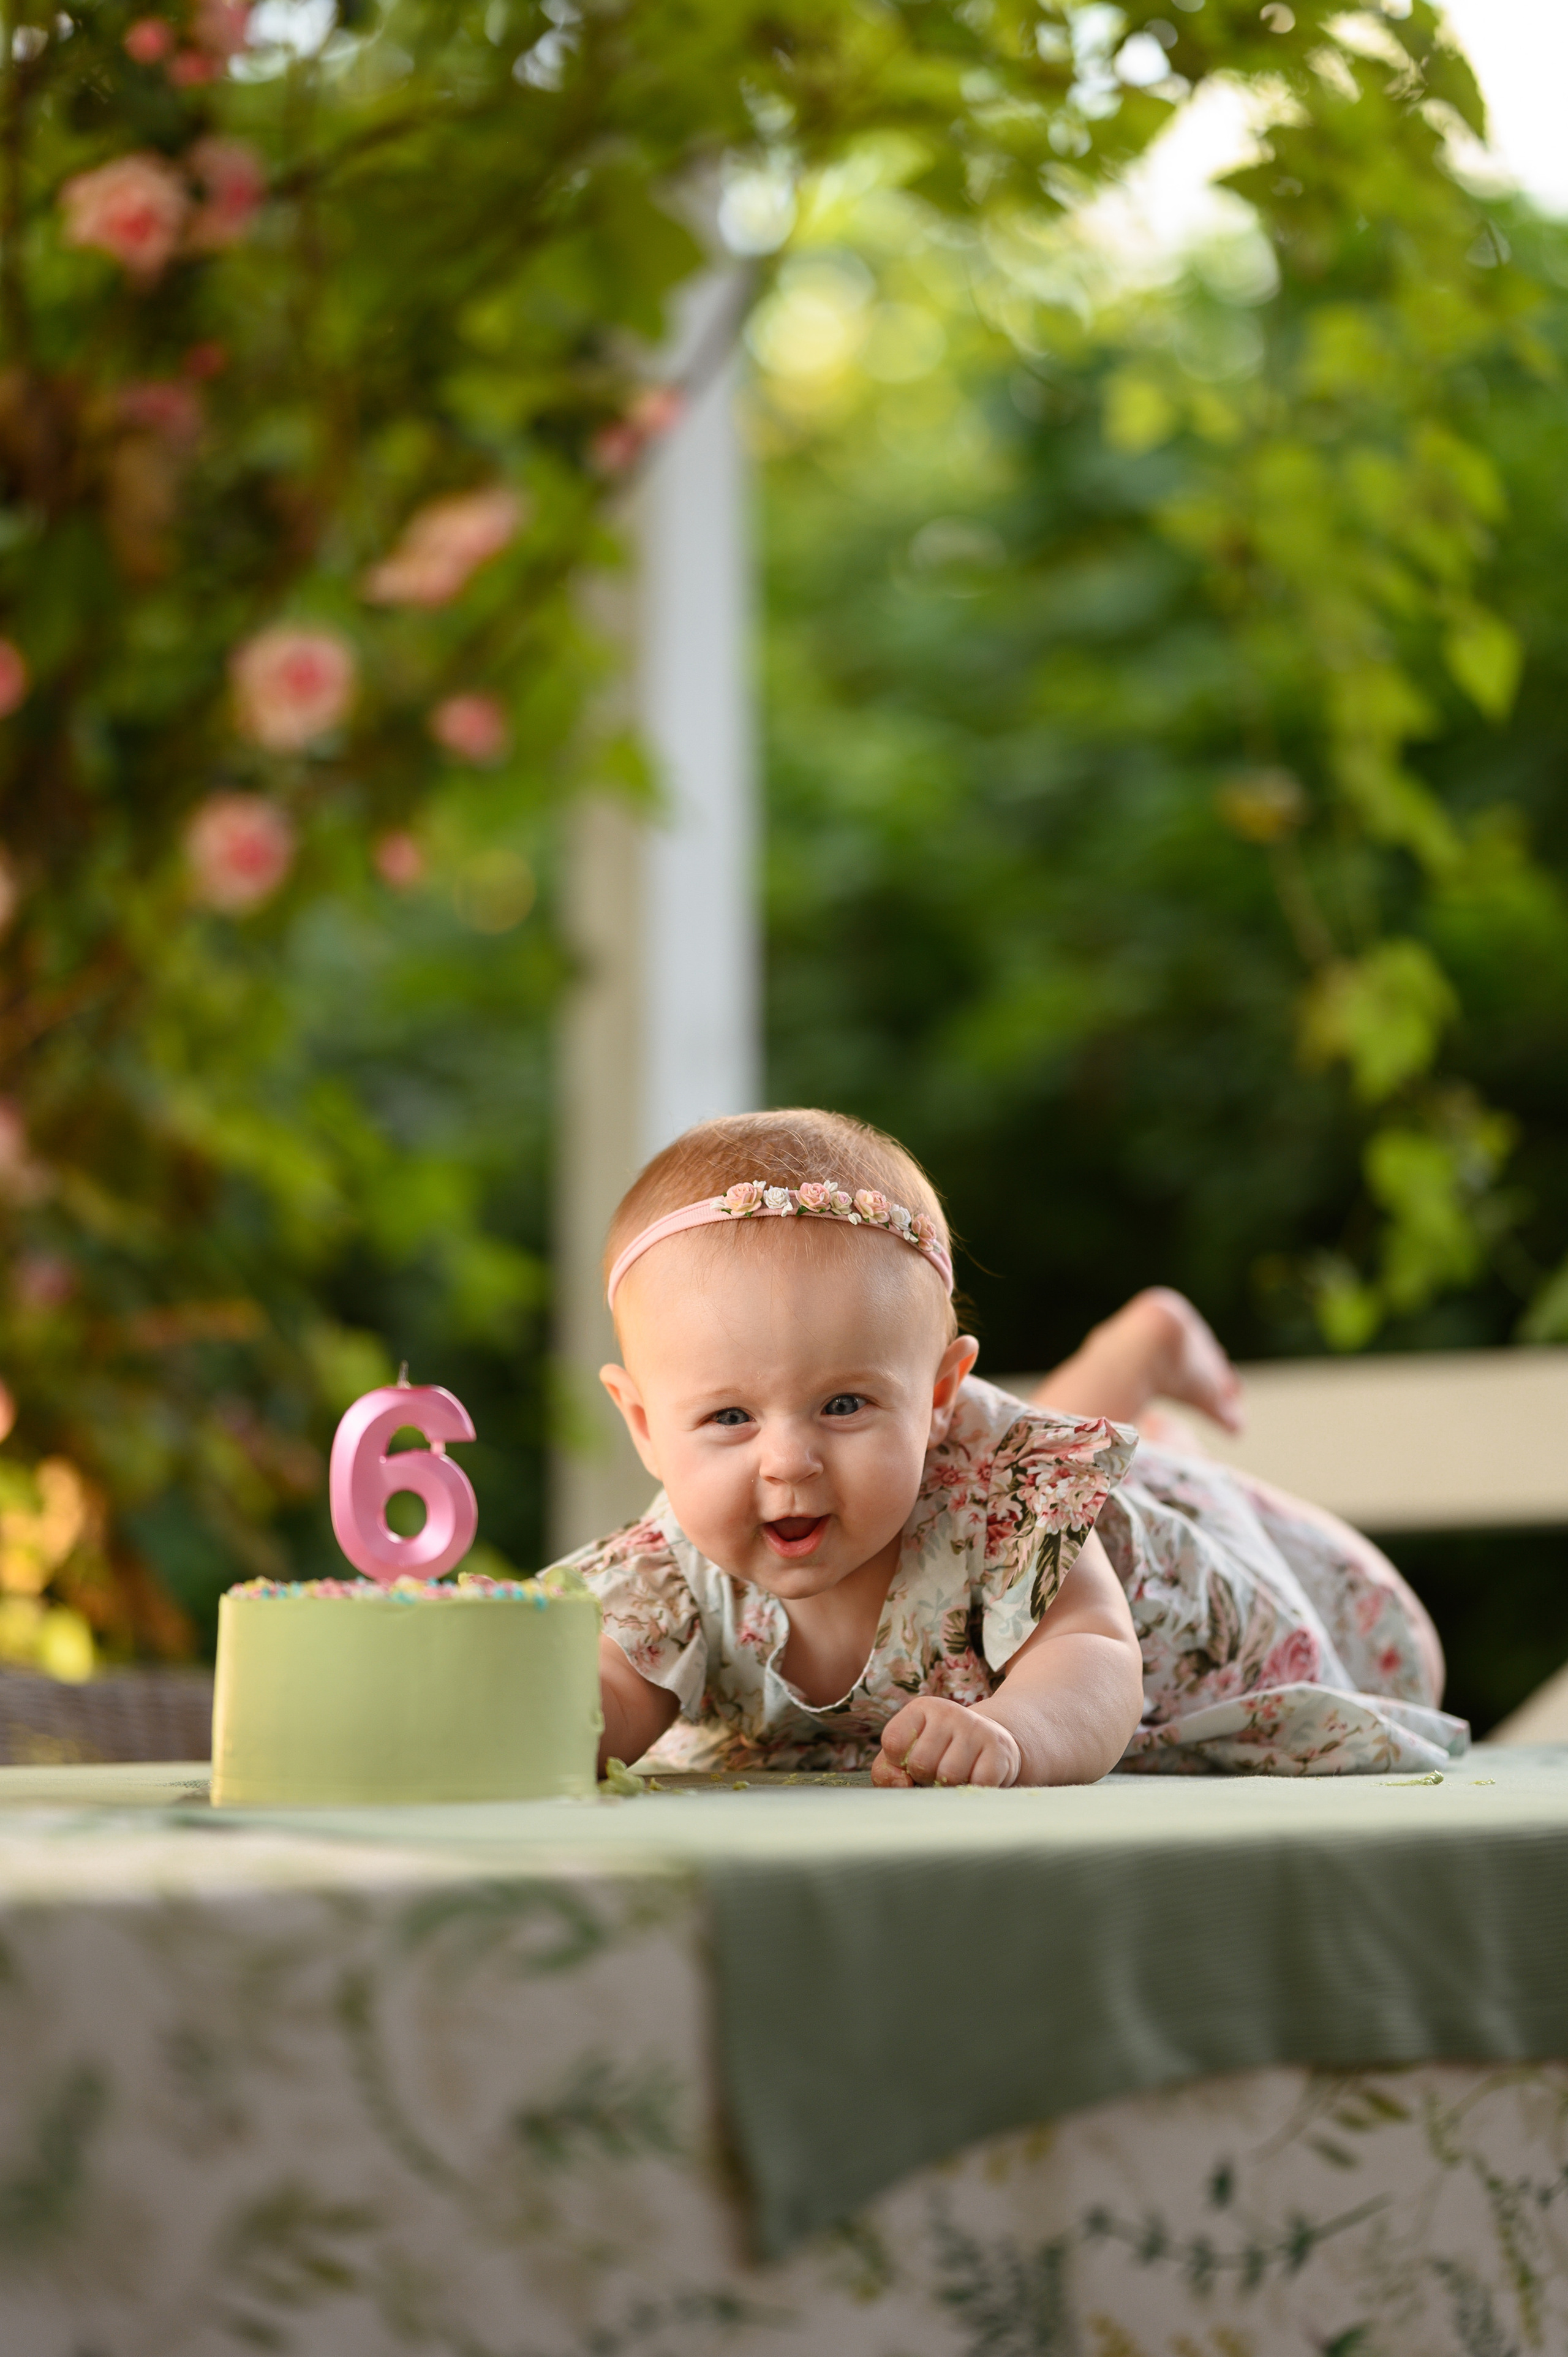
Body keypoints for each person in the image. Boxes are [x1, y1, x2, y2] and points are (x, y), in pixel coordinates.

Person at [557, 1108, 1465, 1784]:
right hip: (974, 1473)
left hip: (1217, 1600)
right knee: (978, 1466)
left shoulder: (1009, 1499)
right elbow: (613, 1696)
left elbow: (1096, 1653)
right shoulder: (669, 1574)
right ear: (643, 1425)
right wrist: (540, 1732)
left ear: (941, 1391)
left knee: (1404, 1651)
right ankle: (1131, 1364)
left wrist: (1017, 1733)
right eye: (729, 1419)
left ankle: (1138, 1384)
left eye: (842, 1403)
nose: (789, 1461)